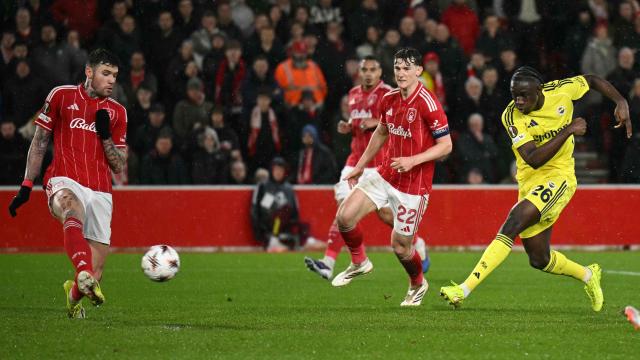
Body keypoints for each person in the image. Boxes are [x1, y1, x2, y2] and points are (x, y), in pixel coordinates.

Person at [440, 66, 632, 312]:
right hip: (530, 180)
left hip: (560, 177)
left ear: (539, 91)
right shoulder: (511, 116)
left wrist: (620, 100)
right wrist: (568, 129)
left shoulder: (560, 91)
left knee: (513, 222)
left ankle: (462, 290)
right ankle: (588, 274)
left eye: (523, 95)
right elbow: (532, 158)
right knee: (539, 259)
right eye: (514, 95)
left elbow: (592, 79)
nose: (518, 101)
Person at [7, 49, 128, 319]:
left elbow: (119, 165)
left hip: (101, 190)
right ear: (89, 72)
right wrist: (26, 184)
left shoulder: (118, 112)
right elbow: (39, 142)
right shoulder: (62, 95)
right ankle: (81, 270)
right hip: (64, 178)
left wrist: (105, 135)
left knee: (94, 277)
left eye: (115, 76)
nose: (111, 81)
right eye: (105, 73)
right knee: (71, 209)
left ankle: (73, 298)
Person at [329, 48, 452, 306]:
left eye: (407, 67)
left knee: (400, 246)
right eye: (397, 67)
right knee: (345, 217)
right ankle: (359, 262)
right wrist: (361, 165)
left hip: (413, 187)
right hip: (385, 174)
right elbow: (381, 133)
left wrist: (412, 160)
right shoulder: (389, 98)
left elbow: (446, 146)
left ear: (419, 71)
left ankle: (418, 283)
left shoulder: (428, 103)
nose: (401, 72)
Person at [304, 55, 430, 280]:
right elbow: (357, 126)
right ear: (359, 73)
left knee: (385, 215)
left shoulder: (389, 94)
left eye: (373, 69)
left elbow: (398, 127)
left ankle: (415, 240)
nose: (369, 73)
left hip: (380, 165)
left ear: (381, 73)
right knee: (344, 209)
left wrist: (375, 124)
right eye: (365, 69)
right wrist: (349, 127)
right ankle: (332, 261)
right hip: (355, 161)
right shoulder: (353, 95)